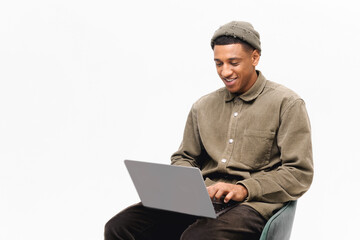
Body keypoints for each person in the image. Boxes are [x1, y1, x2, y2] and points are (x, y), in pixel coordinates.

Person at [104, 21, 313, 240]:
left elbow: (299, 172)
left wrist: (245, 188)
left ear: (254, 57)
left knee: (198, 237)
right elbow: (185, 156)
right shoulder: (203, 106)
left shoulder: (287, 104)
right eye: (218, 63)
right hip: (202, 200)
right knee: (120, 227)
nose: (225, 71)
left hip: (251, 204)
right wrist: (188, 184)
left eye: (233, 62)